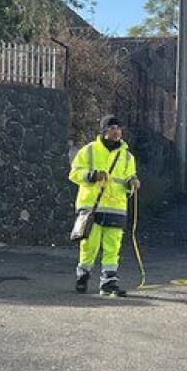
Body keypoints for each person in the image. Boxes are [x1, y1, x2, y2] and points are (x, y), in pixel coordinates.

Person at [70, 114, 139, 297]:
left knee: (113, 247)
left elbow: (129, 178)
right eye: (112, 128)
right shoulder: (89, 150)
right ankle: (83, 276)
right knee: (89, 246)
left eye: (118, 128)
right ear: (104, 131)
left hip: (116, 208)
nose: (116, 131)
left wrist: (132, 182)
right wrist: (92, 175)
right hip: (92, 206)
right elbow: (74, 173)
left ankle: (108, 282)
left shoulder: (127, 156)